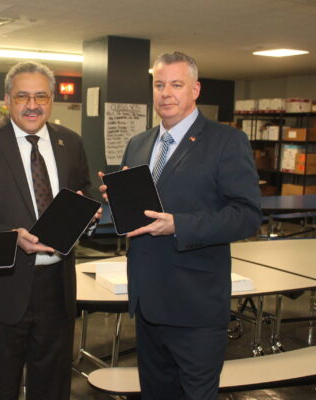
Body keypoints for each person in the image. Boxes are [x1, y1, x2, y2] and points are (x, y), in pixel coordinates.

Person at [99, 52, 261, 399]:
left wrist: (179, 225)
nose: (166, 93)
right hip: (147, 304)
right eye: (159, 85)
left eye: (176, 84)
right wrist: (118, 202)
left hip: (195, 305)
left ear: (195, 90)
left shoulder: (226, 142)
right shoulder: (138, 144)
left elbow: (247, 215)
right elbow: (139, 218)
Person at [0, 61, 95, 400]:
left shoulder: (69, 142)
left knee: (54, 386)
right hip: (3, 285)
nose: (32, 105)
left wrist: (87, 213)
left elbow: (82, 193)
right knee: (1, 387)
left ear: (52, 100)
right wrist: (10, 237)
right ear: (7, 100)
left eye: (41, 96)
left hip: (57, 289)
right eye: (23, 96)